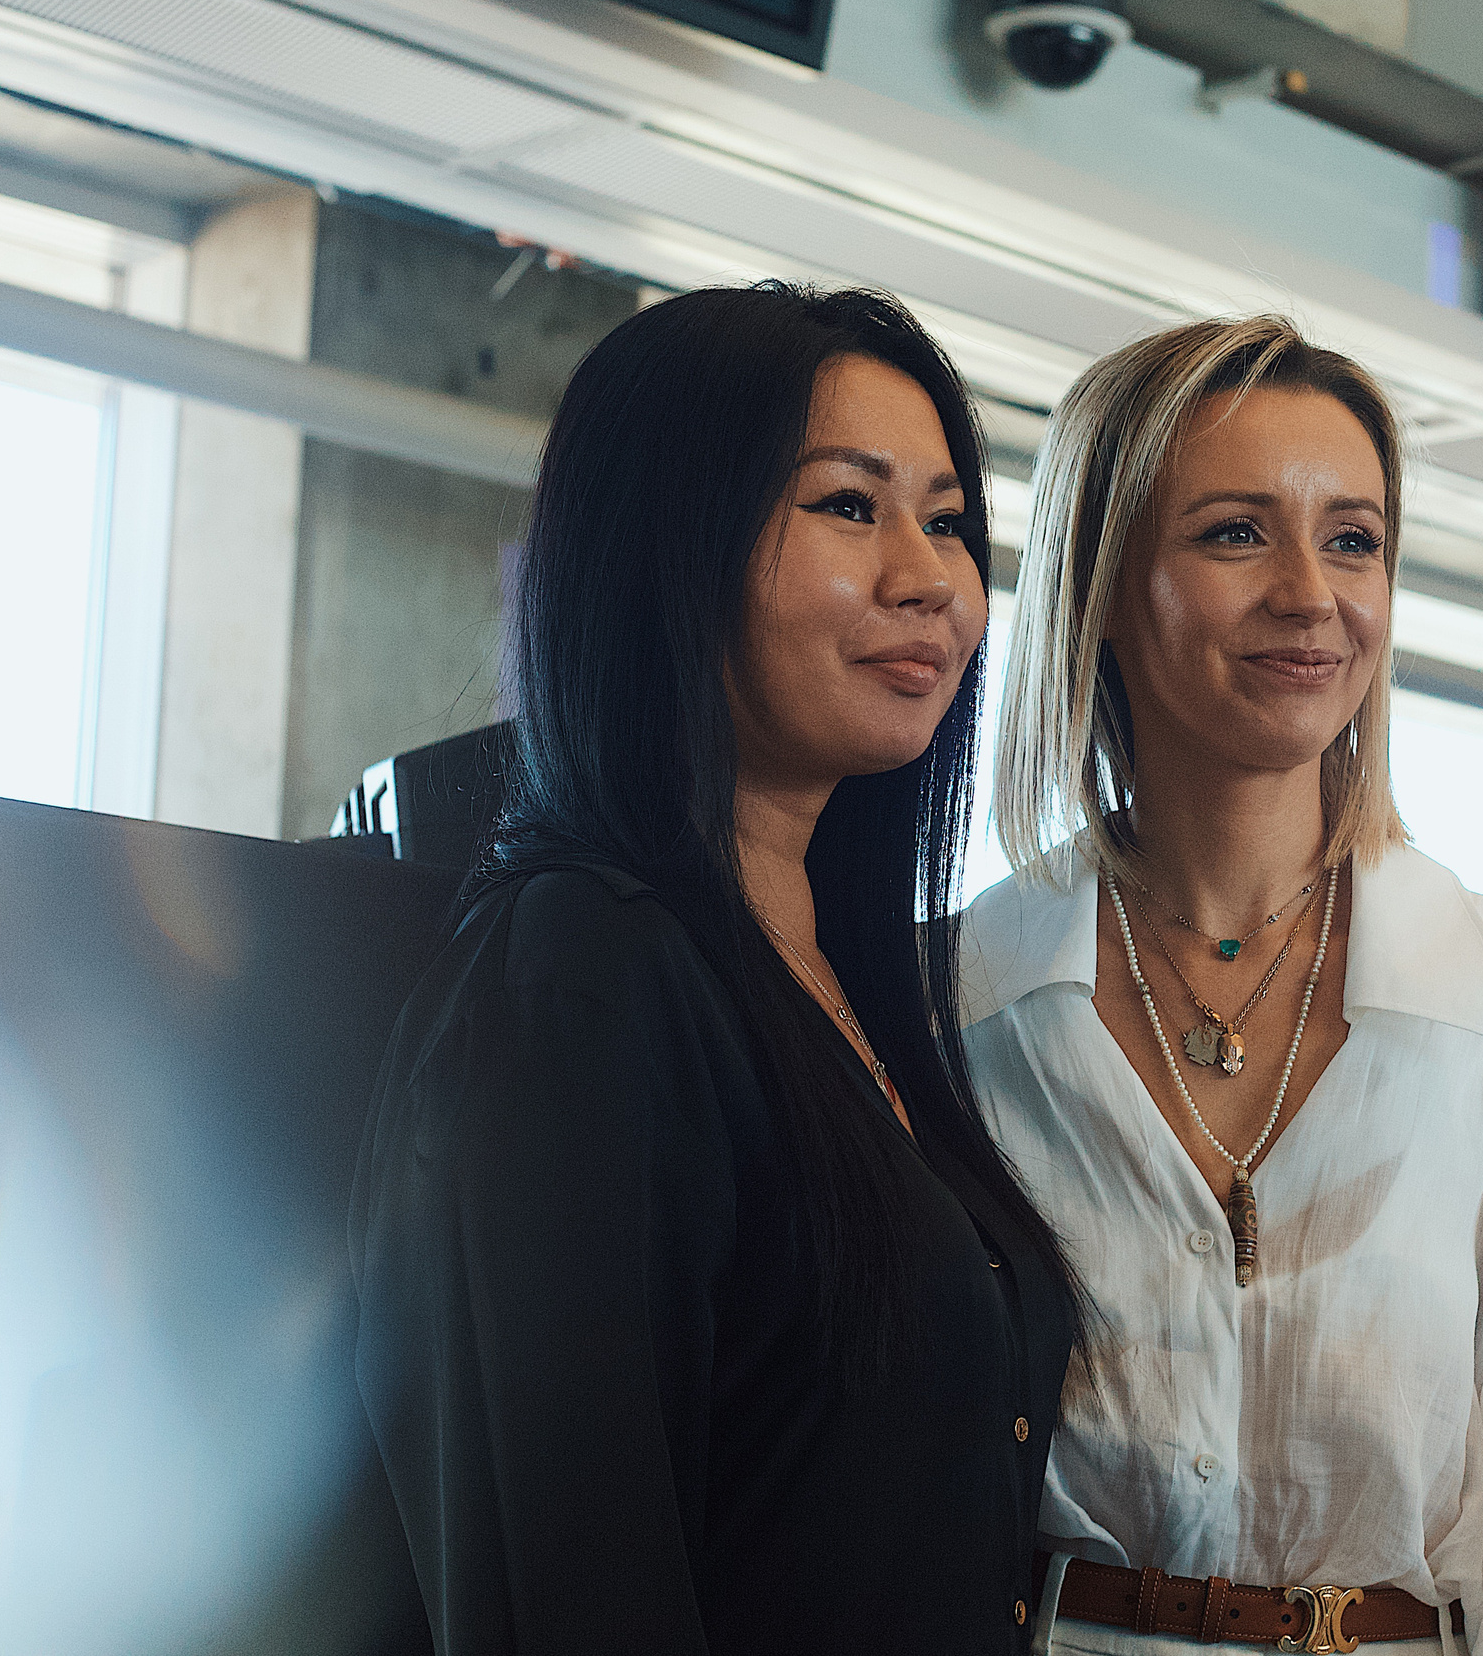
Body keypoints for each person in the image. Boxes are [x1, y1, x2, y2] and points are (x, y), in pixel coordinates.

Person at [352, 283, 1078, 1655]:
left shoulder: (860, 981)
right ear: (670, 547)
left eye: (947, 520)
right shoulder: (583, 971)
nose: (927, 577)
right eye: (850, 507)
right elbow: (568, 1585)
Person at [962, 316, 1483, 1654]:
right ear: (1104, 583)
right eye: (1238, 531)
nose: (1313, 592)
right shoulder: (958, 998)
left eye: (1352, 537)